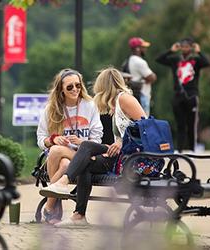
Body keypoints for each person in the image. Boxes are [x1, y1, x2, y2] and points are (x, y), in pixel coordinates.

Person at [40, 67, 146, 227]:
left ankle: (62, 183)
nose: (94, 89)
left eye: (78, 85)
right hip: (119, 154)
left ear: (104, 85)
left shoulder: (124, 98)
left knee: (86, 147)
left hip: (130, 157)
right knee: (85, 163)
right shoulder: (114, 104)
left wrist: (121, 142)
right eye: (70, 86)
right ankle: (79, 216)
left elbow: (145, 127)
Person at [36, 68, 103, 224]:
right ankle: (53, 207)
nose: (75, 90)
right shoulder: (51, 110)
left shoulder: (90, 105)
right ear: (61, 90)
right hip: (59, 160)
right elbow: (40, 139)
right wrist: (53, 139)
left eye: (78, 85)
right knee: (63, 161)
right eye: (70, 87)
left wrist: (82, 143)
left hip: (84, 156)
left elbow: (98, 137)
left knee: (57, 151)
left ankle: (50, 207)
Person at [156, 37, 210, 153]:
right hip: (178, 95)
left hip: (191, 95)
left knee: (191, 124)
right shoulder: (176, 60)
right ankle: (179, 149)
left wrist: (199, 51)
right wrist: (171, 51)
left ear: (191, 47)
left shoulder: (196, 60)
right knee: (180, 124)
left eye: (187, 46)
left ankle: (192, 148)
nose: (185, 48)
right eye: (183, 46)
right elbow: (159, 59)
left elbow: (207, 63)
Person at [127, 37, 157, 115]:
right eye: (143, 47)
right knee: (144, 120)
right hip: (142, 94)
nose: (145, 49)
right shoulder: (140, 62)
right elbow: (152, 77)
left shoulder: (130, 60)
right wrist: (151, 76)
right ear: (137, 49)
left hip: (135, 94)